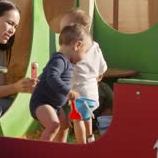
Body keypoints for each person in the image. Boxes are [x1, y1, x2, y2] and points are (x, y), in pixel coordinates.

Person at [29, 23, 92, 141]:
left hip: (55, 105)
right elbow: (52, 77)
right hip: (42, 102)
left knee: (64, 125)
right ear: (77, 45)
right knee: (53, 125)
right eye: (85, 52)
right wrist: (68, 92)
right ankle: (40, 151)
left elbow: (46, 74)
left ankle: (59, 150)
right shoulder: (59, 60)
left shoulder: (65, 61)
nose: (84, 57)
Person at [58, 8, 108, 144]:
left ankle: (81, 145)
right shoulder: (95, 47)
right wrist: (97, 76)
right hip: (92, 94)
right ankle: (90, 140)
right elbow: (102, 68)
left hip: (79, 93)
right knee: (87, 118)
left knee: (77, 119)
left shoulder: (72, 50)